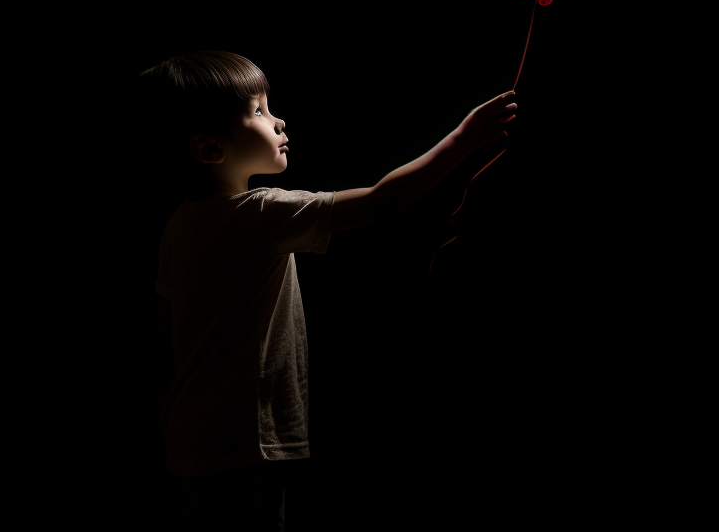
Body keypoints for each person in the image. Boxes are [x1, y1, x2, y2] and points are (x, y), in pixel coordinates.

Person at [137, 50, 518, 531]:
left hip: (188, 441)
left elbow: (167, 336)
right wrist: (465, 139)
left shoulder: (178, 227)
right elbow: (382, 200)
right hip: (244, 442)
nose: (278, 121)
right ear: (210, 149)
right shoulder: (257, 215)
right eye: (258, 111)